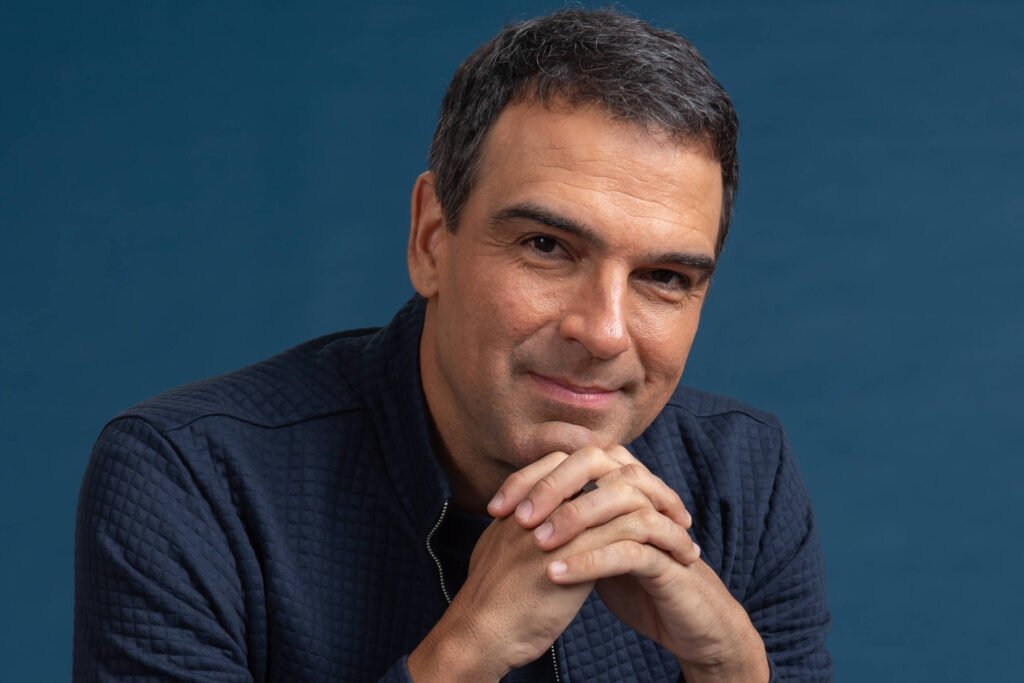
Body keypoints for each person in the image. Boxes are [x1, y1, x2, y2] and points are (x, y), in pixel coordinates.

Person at [74, 8, 831, 682]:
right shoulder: (191, 480)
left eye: (664, 277)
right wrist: (464, 654)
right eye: (546, 246)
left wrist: (731, 670)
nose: (603, 332)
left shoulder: (742, 477)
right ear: (432, 239)